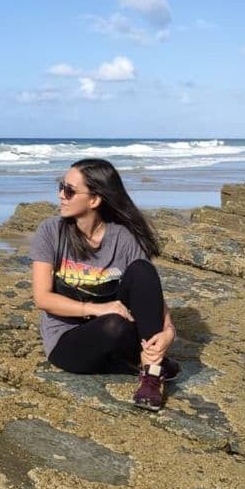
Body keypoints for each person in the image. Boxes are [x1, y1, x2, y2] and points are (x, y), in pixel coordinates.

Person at [30, 158, 178, 409]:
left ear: (94, 200)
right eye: (60, 186)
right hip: (69, 342)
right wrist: (98, 308)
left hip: (119, 333)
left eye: (69, 190)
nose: (61, 196)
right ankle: (142, 361)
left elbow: (149, 292)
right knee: (113, 323)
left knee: (143, 270)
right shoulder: (50, 232)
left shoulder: (124, 237)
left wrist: (169, 332)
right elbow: (42, 298)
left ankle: (152, 374)